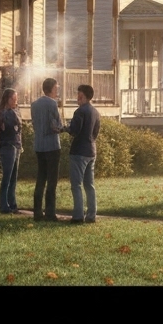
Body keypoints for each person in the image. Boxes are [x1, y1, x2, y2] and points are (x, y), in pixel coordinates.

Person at [66, 83, 101, 224]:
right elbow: (95, 132)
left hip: (79, 151)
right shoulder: (95, 112)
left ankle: (78, 216)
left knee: (76, 185)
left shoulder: (79, 112)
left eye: (78, 94)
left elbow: (74, 130)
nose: (77, 97)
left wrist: (65, 128)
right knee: (89, 185)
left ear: (83, 96)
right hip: (91, 150)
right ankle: (91, 215)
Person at [30, 78, 64, 222]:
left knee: (40, 178)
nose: (57, 91)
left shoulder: (34, 104)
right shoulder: (52, 104)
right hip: (52, 145)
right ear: (51, 89)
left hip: (39, 145)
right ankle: (50, 212)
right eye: (56, 88)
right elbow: (58, 124)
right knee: (52, 180)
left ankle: (37, 212)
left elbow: (34, 123)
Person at [0, 87, 22, 214]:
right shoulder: (5, 113)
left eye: (16, 98)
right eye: (13, 98)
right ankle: (3, 206)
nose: (15, 101)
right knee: (7, 177)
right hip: (8, 146)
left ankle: (12, 204)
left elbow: (19, 128)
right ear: (7, 99)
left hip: (16, 146)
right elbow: (13, 127)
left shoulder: (14, 111)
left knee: (13, 178)